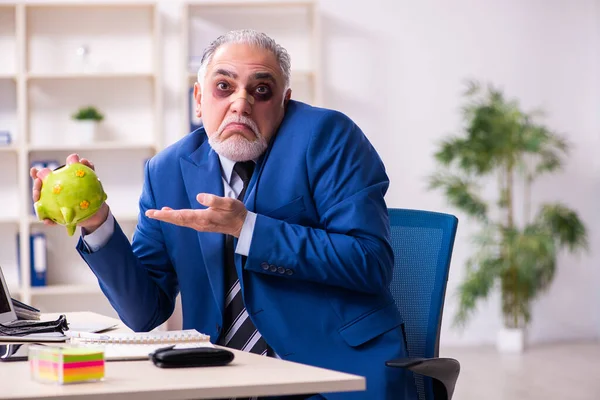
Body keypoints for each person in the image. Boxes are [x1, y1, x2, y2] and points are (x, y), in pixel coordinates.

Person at [31, 30, 417, 400]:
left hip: (332, 376)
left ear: (284, 101)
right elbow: (144, 312)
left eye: (261, 90)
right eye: (224, 87)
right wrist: (95, 222)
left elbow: (370, 263)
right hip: (220, 377)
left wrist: (247, 228)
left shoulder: (328, 137)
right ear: (199, 99)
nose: (241, 102)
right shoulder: (165, 171)